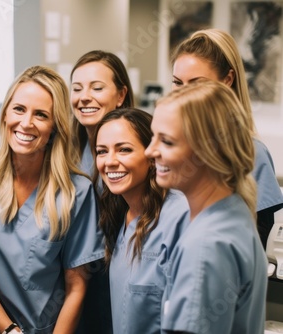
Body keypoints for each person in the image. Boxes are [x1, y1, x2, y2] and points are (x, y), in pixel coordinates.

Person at [0, 65, 104, 333]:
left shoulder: (76, 192)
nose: (26, 123)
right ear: (6, 112)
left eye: (41, 115)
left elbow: (76, 286)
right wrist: (9, 330)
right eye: (19, 109)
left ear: (55, 126)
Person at [146, 79, 267, 333]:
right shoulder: (233, 212)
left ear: (206, 152)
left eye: (166, 142)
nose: (149, 151)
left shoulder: (207, 246)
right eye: (152, 137)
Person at [171, 28, 283, 248]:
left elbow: (253, 246)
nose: (183, 94)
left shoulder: (250, 153)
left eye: (195, 83)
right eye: (177, 83)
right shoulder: (168, 148)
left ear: (227, 80)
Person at [93, 108, 189, 333]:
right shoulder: (120, 215)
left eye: (124, 150)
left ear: (153, 157)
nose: (110, 161)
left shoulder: (181, 218)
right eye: (101, 151)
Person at [69, 49, 135, 333]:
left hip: (122, 279)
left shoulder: (142, 149)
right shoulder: (63, 150)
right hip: (71, 282)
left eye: (97, 88)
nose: (85, 96)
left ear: (121, 95)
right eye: (77, 88)